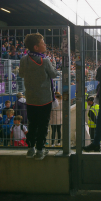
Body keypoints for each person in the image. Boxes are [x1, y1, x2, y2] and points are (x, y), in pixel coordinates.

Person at [19, 32, 59, 160]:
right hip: (44, 99)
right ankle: (40, 150)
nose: (45, 44)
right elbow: (54, 74)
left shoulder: (24, 59)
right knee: (43, 124)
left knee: (32, 124)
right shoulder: (45, 60)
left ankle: (31, 149)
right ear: (36, 47)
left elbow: (21, 74)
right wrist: (53, 64)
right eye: (42, 43)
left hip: (30, 98)